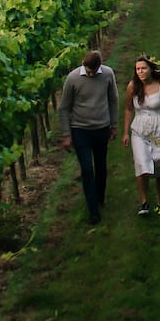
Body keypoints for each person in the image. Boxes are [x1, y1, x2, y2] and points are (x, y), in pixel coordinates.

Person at [58, 48, 119, 224]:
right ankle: (93, 210)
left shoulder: (107, 74)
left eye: (94, 71)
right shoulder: (73, 78)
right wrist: (66, 134)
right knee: (86, 169)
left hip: (101, 128)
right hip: (80, 130)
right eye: (88, 71)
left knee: (101, 167)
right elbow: (64, 107)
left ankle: (100, 197)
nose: (91, 75)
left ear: (99, 66)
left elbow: (113, 100)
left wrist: (113, 125)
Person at [124, 57, 160, 215]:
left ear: (151, 69)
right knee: (142, 163)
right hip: (140, 129)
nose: (140, 72)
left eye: (143, 68)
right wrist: (125, 132)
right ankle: (144, 202)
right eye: (138, 69)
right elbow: (128, 109)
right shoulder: (133, 86)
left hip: (159, 127)